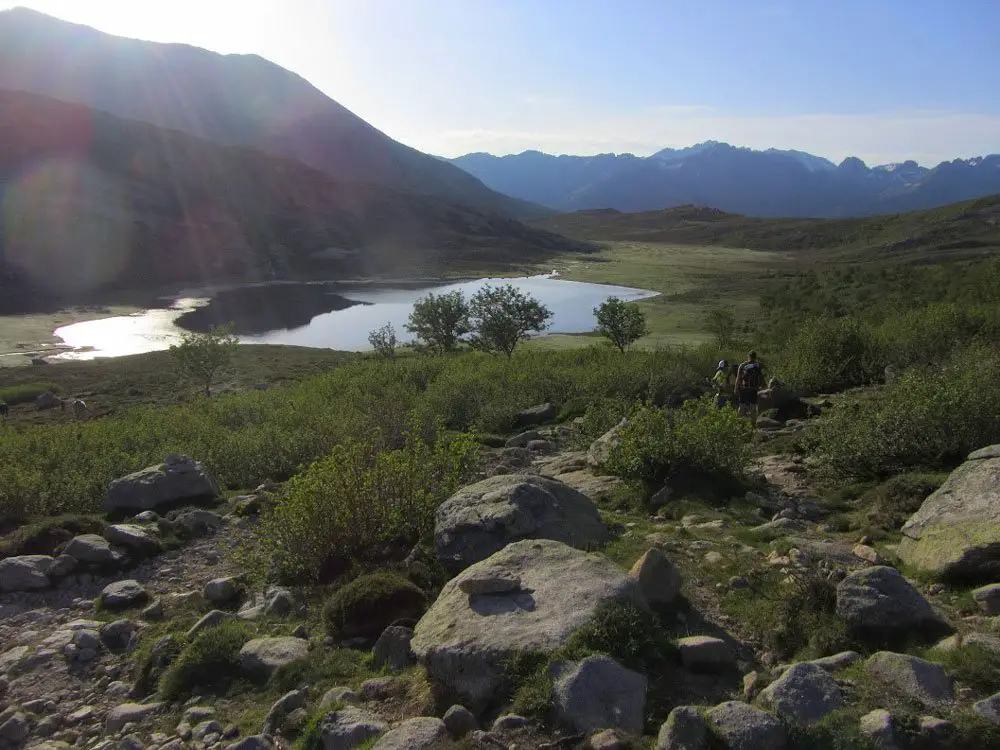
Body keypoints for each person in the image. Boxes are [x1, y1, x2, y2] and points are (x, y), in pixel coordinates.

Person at [734, 350, 764, 426]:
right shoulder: (758, 366)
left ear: (748, 356)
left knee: (742, 407)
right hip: (754, 389)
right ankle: (753, 425)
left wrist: (736, 388)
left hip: (744, 389)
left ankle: (739, 424)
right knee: (753, 408)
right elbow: (762, 377)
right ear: (755, 357)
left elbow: (738, 378)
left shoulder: (743, 365)